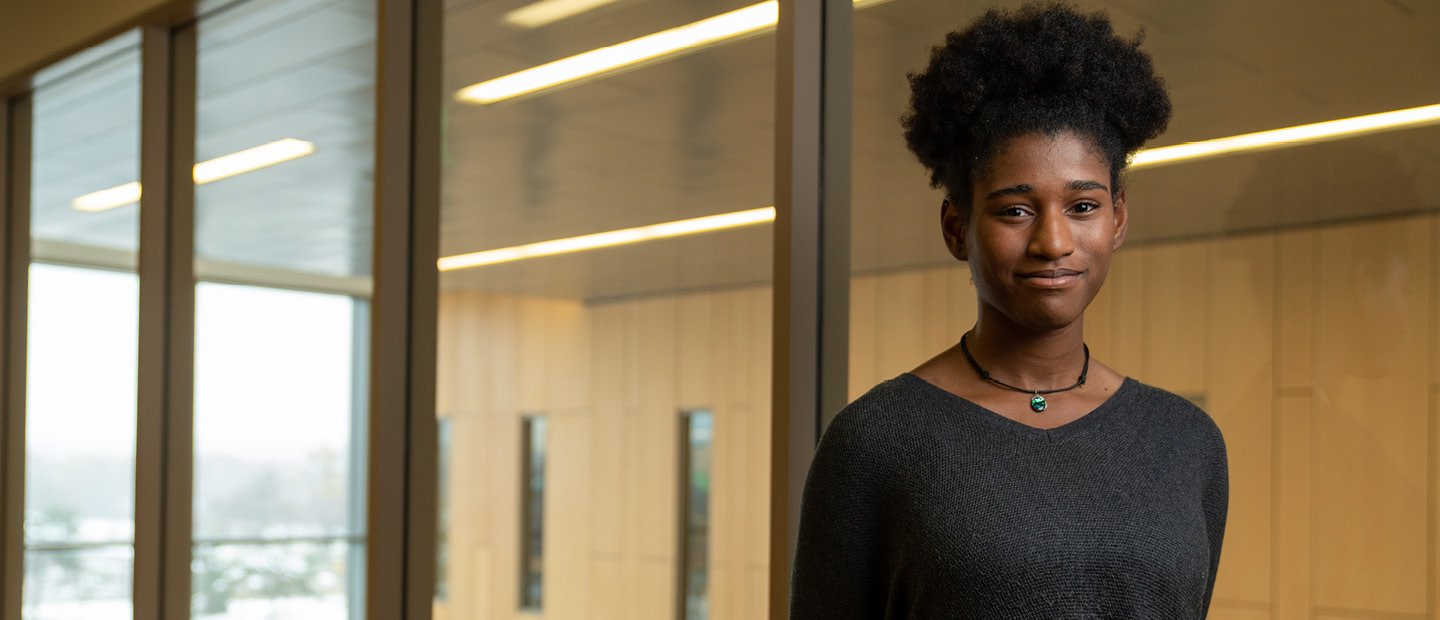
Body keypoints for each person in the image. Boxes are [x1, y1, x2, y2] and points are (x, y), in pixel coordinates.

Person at [789, 3, 1229, 618]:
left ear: (1119, 217)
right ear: (955, 226)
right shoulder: (875, 441)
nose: (1053, 242)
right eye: (1014, 210)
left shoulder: (1186, 442)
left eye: (1083, 207)